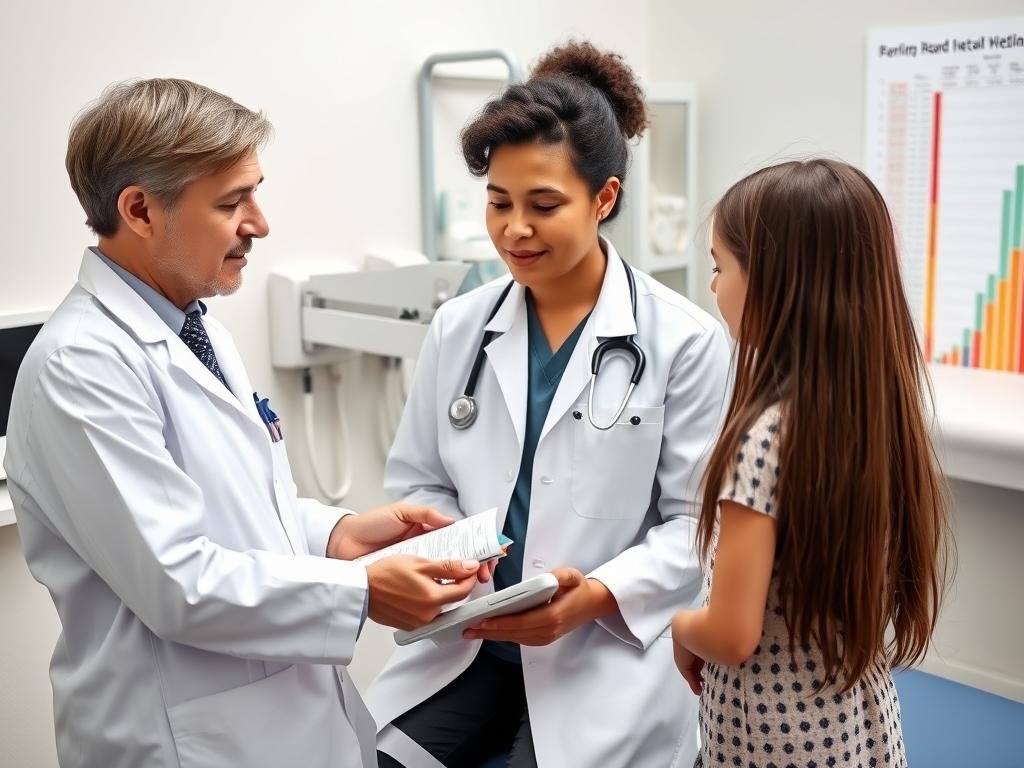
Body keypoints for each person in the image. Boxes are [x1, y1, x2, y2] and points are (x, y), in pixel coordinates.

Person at [3, 78, 490, 768]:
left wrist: (337, 534)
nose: (259, 223)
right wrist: (363, 594)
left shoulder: (192, 327)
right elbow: (179, 582)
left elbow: (233, 511)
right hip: (182, 740)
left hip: (278, 720)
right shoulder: (81, 367)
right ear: (140, 209)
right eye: (232, 202)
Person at [367, 42, 731, 768]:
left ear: (605, 198)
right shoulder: (459, 327)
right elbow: (419, 479)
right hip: (472, 639)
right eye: (499, 203)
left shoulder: (685, 341)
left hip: (604, 649)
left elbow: (697, 527)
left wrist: (593, 596)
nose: (514, 230)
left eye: (543, 205)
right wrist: (450, 561)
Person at [670, 159, 952, 767]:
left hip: (769, 737)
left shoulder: (763, 439)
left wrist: (680, 626)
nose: (712, 287)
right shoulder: (874, 412)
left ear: (774, 283)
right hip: (856, 720)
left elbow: (731, 634)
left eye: (720, 267)